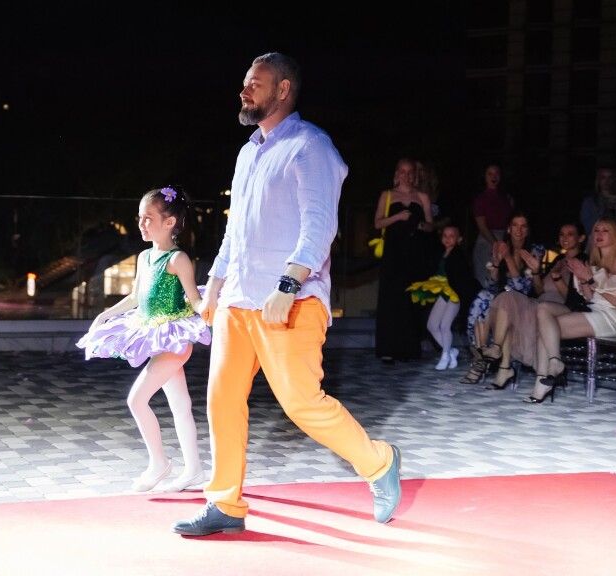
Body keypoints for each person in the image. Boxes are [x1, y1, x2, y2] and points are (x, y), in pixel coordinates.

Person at [172, 53, 401, 537]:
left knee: (301, 402)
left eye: (255, 83)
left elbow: (320, 225)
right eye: (244, 82)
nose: (244, 90)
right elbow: (236, 232)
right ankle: (225, 503)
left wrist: (289, 283)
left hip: (289, 300)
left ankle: (380, 462)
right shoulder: (248, 153)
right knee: (222, 400)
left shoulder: (311, 146)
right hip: (238, 300)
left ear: (283, 89)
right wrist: (214, 287)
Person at [76, 186, 211, 493]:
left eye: (148, 218)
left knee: (136, 400)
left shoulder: (178, 259)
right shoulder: (145, 256)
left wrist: (213, 299)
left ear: (170, 222)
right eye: (140, 217)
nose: (141, 224)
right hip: (155, 336)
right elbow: (136, 297)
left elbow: (194, 300)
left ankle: (159, 464)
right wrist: (105, 314)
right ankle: (194, 470)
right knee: (180, 405)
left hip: (173, 340)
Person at [527, 218, 616, 403]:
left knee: (548, 326)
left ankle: (546, 377)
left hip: (612, 317)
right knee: (543, 311)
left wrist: (589, 279)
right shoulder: (593, 262)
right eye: (596, 230)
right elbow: (590, 297)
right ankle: (551, 367)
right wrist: (583, 280)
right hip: (595, 311)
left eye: (605, 230)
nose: (599, 234)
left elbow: (615, 300)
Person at [480, 222, 586, 387]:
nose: (564, 238)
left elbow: (573, 298)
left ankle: (504, 364)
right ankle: (499, 354)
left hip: (559, 307)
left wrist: (557, 277)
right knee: (507, 299)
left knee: (518, 307)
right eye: (562, 234)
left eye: (570, 234)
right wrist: (536, 271)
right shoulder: (558, 259)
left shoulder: (583, 261)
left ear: (581, 238)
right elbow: (538, 290)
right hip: (541, 301)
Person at [461, 212, 544, 384]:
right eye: (515, 225)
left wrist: (508, 259)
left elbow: (522, 288)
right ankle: (481, 356)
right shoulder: (501, 247)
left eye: (523, 226)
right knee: (483, 297)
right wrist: (497, 263)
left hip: (522, 302)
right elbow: (490, 285)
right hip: (500, 298)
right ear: (508, 229)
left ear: (528, 230)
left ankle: (484, 359)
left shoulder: (535, 250)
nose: (518, 230)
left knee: (503, 298)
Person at [374, 158, 434, 363]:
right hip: (393, 252)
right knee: (390, 299)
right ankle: (388, 349)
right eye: (402, 171)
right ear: (397, 174)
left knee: (411, 301)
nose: (406, 176)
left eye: (409, 172)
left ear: (414, 175)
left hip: (415, 253)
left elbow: (430, 226)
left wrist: (419, 225)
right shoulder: (388, 195)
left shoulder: (422, 196)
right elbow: (377, 223)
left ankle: (408, 348)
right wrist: (398, 217)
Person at [406, 225, 478, 370]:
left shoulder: (459, 255)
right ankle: (451, 351)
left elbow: (463, 278)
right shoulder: (440, 253)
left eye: (452, 236)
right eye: (445, 235)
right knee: (432, 325)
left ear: (459, 239)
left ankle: (445, 355)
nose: (447, 239)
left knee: (445, 325)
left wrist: (457, 292)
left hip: (454, 294)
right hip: (444, 293)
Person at [470, 164, 513, 285]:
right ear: (484, 176)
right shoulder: (480, 199)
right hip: (486, 241)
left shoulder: (506, 198)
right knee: (485, 280)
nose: (494, 177)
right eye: (490, 173)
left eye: (496, 173)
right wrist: (496, 244)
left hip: (504, 239)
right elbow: (482, 227)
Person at [579, 167, 616, 244]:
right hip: (596, 243)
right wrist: (602, 211)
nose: (607, 181)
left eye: (610, 178)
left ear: (615, 180)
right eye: (603, 177)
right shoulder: (590, 202)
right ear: (598, 180)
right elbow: (586, 227)